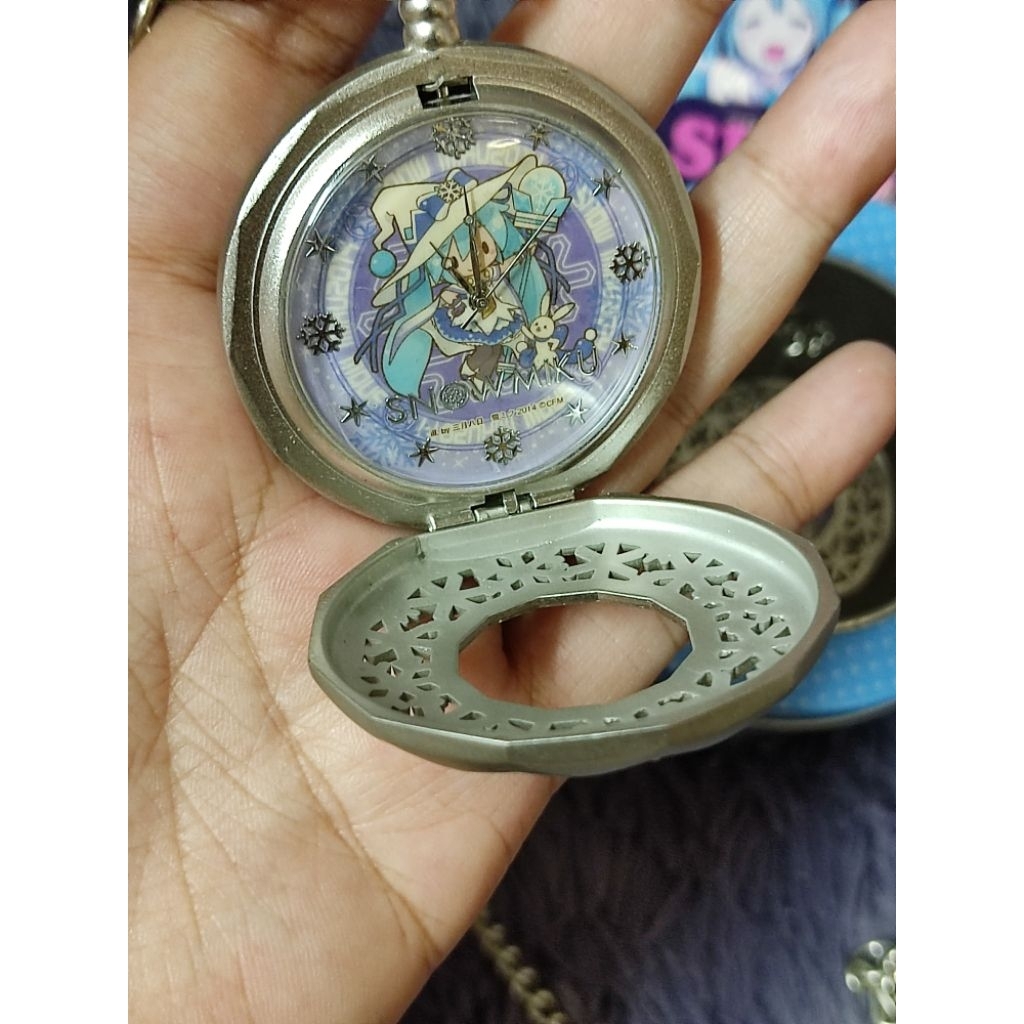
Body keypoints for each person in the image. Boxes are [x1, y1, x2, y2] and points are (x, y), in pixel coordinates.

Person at [128, 2, 895, 1021]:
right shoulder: (409, 285)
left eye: (500, 238)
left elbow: (533, 289)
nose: (484, 257)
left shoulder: (524, 237)